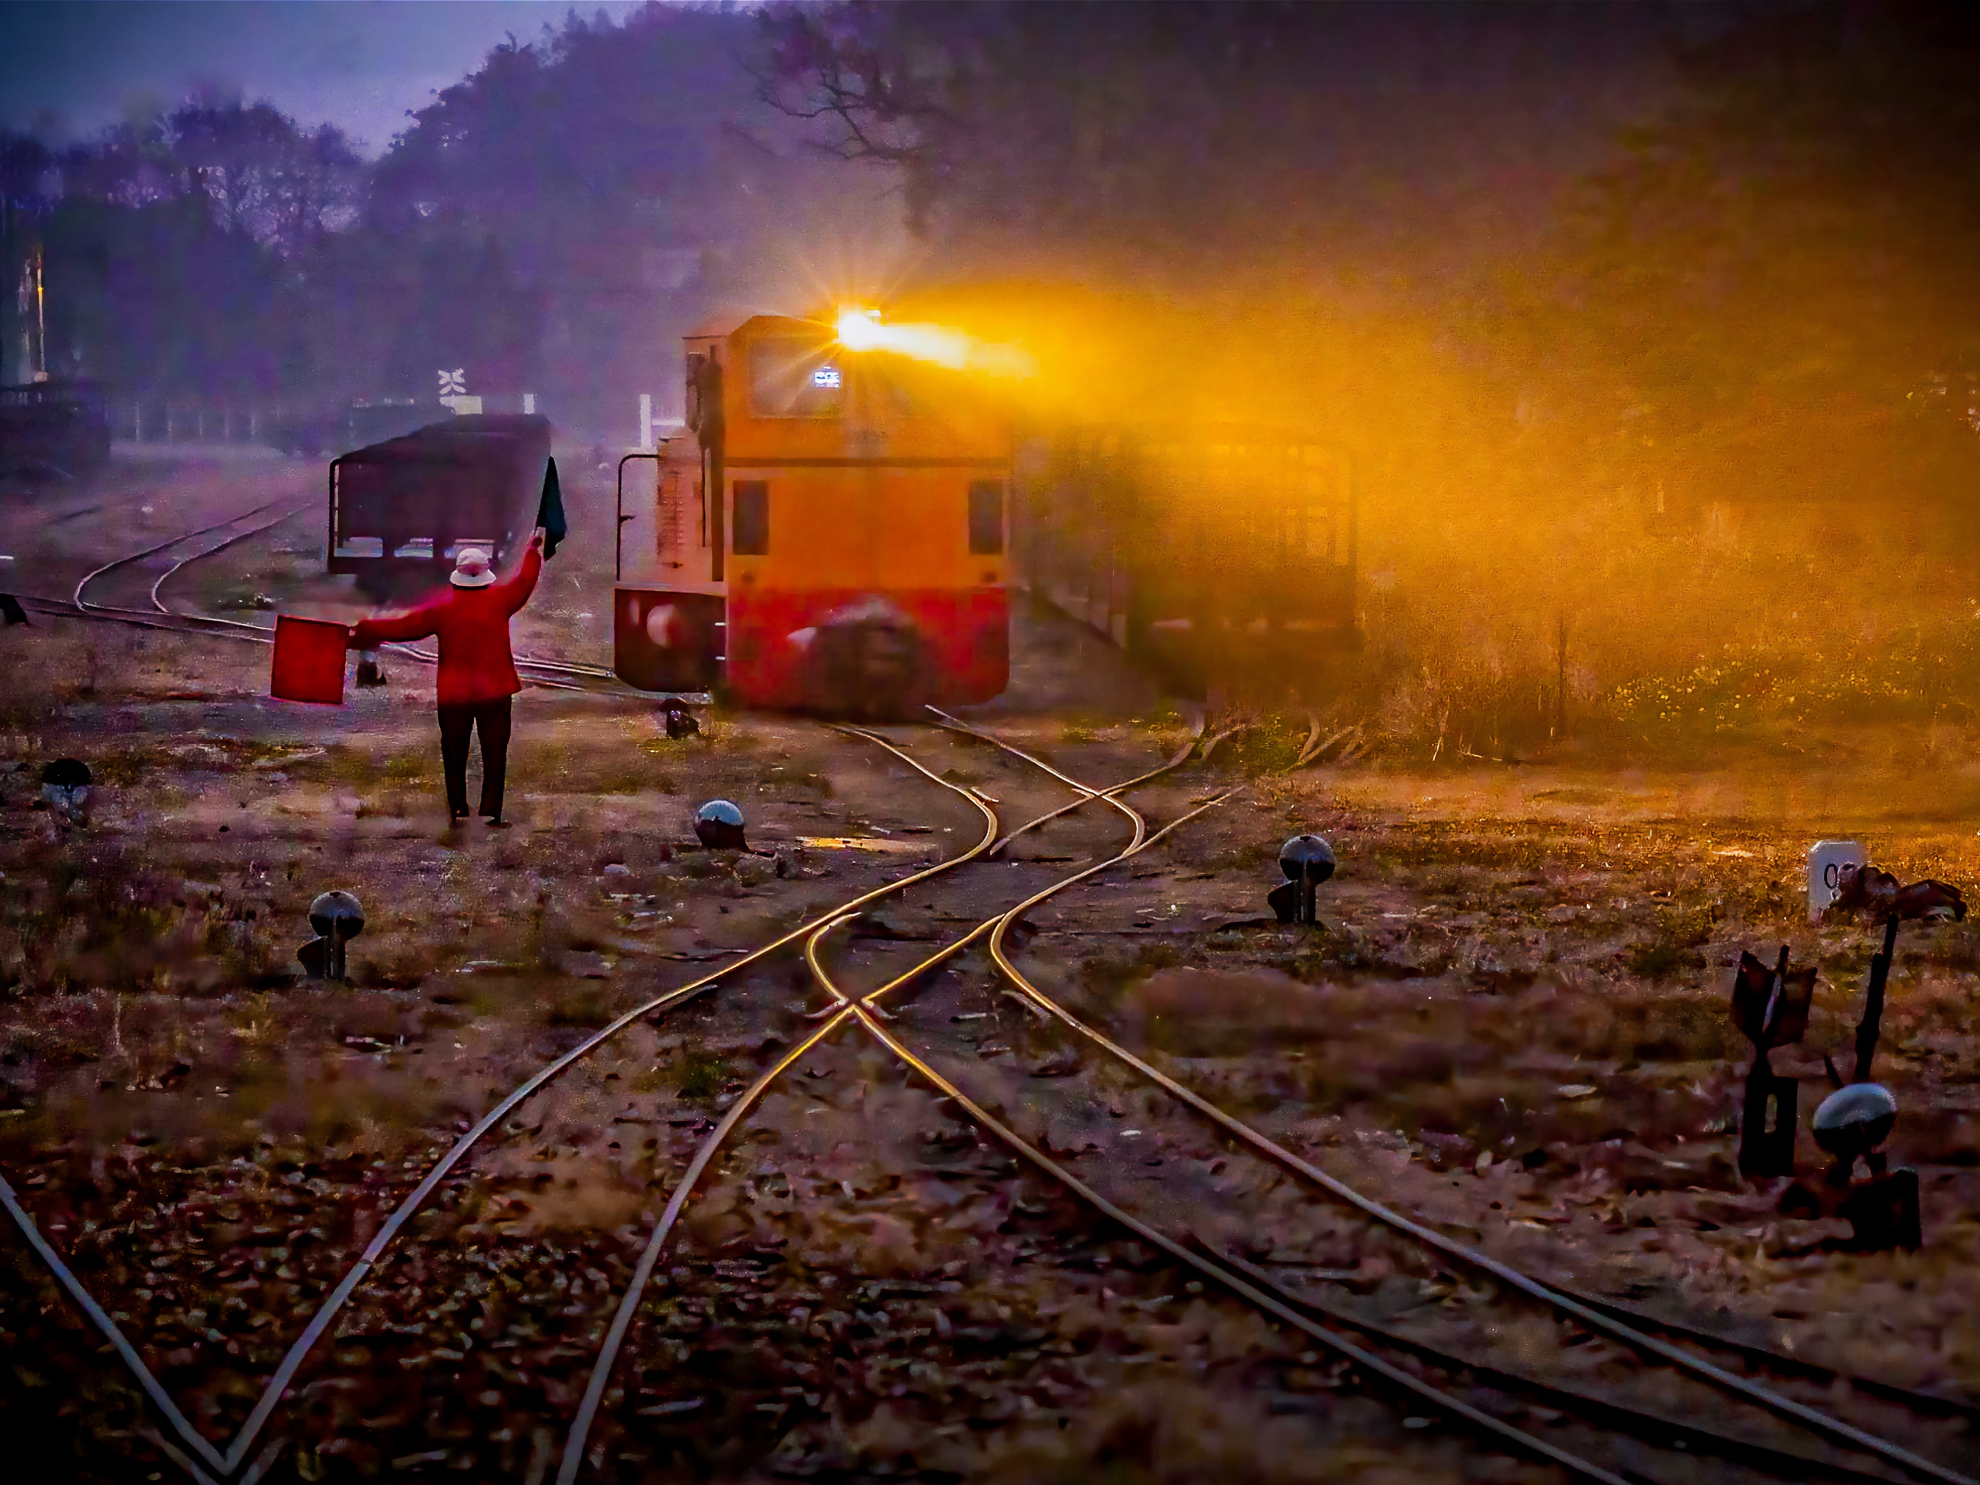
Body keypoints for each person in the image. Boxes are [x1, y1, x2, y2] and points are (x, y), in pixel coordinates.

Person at [349, 530, 546, 826]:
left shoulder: (443, 609)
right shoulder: (502, 600)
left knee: (454, 752)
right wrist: (532, 549)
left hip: (455, 694)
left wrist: (367, 627)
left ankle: (457, 807)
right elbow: (525, 580)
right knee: (495, 752)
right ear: (486, 575)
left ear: (458, 576)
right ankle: (491, 808)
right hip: (495, 691)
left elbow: (404, 627)